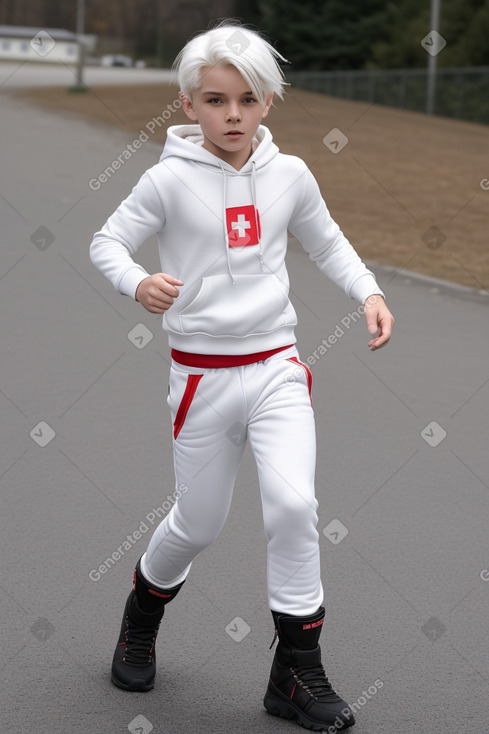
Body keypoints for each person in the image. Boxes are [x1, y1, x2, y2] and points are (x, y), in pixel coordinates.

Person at [90, 20, 394, 732]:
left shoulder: (289, 175)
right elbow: (106, 239)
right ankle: (139, 621)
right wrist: (138, 283)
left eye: (248, 99)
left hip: (275, 370)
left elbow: (328, 242)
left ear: (266, 103)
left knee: (293, 507)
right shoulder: (165, 179)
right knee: (197, 524)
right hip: (200, 380)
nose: (232, 114)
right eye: (216, 99)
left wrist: (369, 292)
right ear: (188, 105)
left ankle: (295, 673)